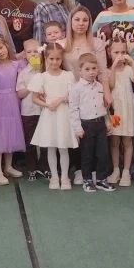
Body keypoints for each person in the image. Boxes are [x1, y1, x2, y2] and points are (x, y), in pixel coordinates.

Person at [29, 43, 78, 190]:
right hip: (49, 115)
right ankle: (54, 177)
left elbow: (73, 95)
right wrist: (47, 105)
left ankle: (65, 177)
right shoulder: (41, 77)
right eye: (51, 59)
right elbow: (34, 98)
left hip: (64, 114)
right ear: (46, 58)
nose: (55, 62)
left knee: (63, 147)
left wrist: (61, 99)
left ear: (62, 59)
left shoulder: (68, 75)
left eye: (58, 59)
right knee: (51, 147)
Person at [0, 35, 26, 185]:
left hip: (13, 102)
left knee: (10, 133)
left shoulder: (17, 65)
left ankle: (8, 166)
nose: (0, 52)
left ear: (7, 46)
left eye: (1, 48)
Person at [69, 53, 115, 192]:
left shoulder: (100, 86)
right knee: (87, 154)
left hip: (100, 124)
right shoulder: (76, 88)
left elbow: (104, 107)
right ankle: (87, 180)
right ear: (80, 71)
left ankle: (101, 179)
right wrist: (77, 128)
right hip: (86, 125)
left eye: (94, 68)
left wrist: (107, 122)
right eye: (87, 69)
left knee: (103, 154)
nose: (91, 72)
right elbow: (73, 109)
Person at [106, 38, 134, 187]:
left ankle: (126, 171)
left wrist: (133, 63)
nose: (120, 56)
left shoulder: (128, 69)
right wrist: (114, 67)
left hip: (128, 110)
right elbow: (111, 85)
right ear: (109, 52)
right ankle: (116, 170)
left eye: (123, 52)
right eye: (116, 52)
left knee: (127, 140)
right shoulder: (108, 70)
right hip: (116, 111)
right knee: (115, 140)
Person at [16, 39, 48, 181]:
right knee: (30, 141)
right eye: (29, 52)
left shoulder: (45, 70)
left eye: (36, 51)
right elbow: (19, 94)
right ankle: (32, 168)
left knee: (45, 140)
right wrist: (31, 86)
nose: (33, 54)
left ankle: (45, 167)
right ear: (25, 55)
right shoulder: (23, 73)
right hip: (28, 111)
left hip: (44, 110)